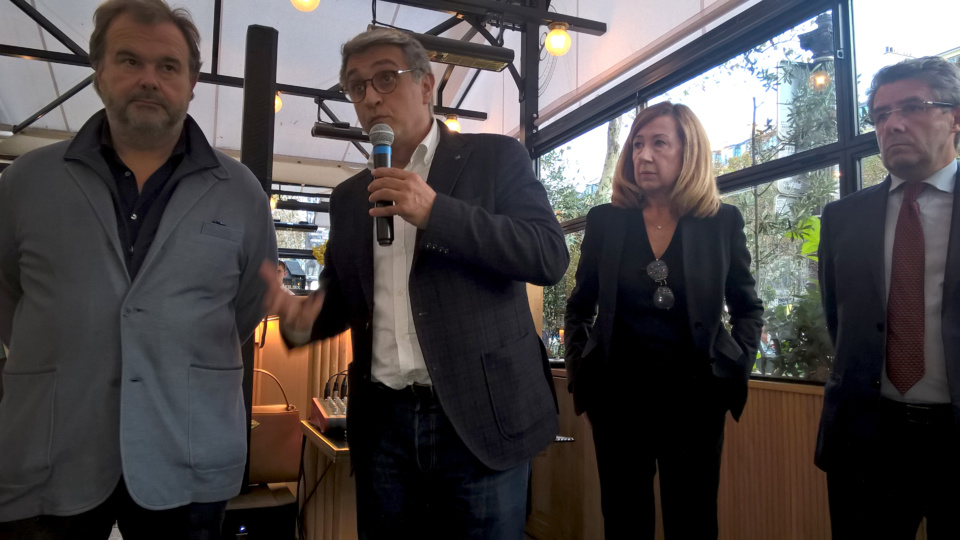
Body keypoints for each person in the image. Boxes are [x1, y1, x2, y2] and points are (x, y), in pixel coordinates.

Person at [260, 28, 568, 539]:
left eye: (385, 77)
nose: (371, 96)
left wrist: (436, 212)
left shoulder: (494, 160)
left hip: (477, 419)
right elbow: (342, 302)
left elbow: (548, 255)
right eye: (356, 87)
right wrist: (298, 316)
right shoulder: (348, 197)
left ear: (426, 86)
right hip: (384, 427)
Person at [0, 0, 277, 537]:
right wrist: (72, 338)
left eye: (168, 66)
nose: (149, 79)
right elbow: (7, 294)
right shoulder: (24, 183)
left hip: (187, 449)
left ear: (192, 81)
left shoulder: (241, 191)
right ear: (99, 71)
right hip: (55, 448)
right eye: (129, 61)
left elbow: (246, 305)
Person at [564, 101, 763, 539]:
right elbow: (580, 307)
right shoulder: (606, 222)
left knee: (692, 522)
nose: (644, 155)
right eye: (637, 145)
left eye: (658, 143)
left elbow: (748, 308)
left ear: (688, 151)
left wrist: (733, 367)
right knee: (624, 521)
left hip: (696, 404)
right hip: (617, 404)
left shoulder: (721, 222)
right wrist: (581, 372)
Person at [816, 56, 960, 539]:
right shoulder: (842, 219)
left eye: (913, 107)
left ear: (955, 117)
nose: (893, 123)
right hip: (869, 438)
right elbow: (842, 323)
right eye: (880, 115)